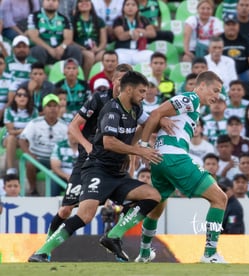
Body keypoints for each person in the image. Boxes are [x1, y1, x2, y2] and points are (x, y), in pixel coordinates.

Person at [28, 71, 163, 263]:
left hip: (117, 173)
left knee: (153, 196)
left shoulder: (135, 109)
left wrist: (164, 118)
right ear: (129, 89)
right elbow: (108, 142)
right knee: (83, 214)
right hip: (97, 169)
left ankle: (113, 236)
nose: (144, 96)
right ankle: (42, 251)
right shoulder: (112, 109)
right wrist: (138, 151)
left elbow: (150, 121)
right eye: (141, 91)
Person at [136, 71, 228, 263]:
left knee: (156, 207)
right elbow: (156, 113)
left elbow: (159, 116)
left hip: (160, 160)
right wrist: (143, 146)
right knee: (220, 198)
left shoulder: (192, 105)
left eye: (219, 92)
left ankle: (144, 253)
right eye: (215, 90)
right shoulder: (192, 98)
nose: (217, 96)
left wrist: (150, 139)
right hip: (174, 157)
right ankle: (210, 254)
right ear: (201, 85)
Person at [19, 93, 68, 196]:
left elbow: (67, 144)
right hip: (38, 158)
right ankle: (33, 190)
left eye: (55, 106)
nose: (52, 109)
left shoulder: (64, 126)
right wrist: (29, 154)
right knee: (29, 162)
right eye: (49, 106)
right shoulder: (35, 123)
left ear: (59, 108)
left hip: (56, 160)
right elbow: (22, 140)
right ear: (44, 109)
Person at [27, 0, 82, 66]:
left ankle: (74, 74)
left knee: (74, 49)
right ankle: (38, 74)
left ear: (58, 3)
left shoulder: (64, 18)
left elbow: (68, 38)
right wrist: (50, 50)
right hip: (43, 49)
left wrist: (62, 47)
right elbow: (34, 37)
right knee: (38, 50)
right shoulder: (34, 16)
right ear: (43, 2)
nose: (51, 3)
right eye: (48, 0)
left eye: (54, 1)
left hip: (59, 50)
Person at [3, 87, 38, 171]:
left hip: (27, 138)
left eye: (25, 95)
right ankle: (10, 170)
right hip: (10, 138)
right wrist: (23, 131)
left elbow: (35, 129)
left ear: (28, 98)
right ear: (15, 98)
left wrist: (20, 132)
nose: (22, 97)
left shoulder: (34, 111)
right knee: (12, 138)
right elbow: (11, 131)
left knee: (25, 140)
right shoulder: (9, 111)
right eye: (19, 95)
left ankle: (31, 167)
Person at [112, 0, 155, 66]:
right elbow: (120, 36)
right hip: (122, 51)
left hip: (138, 51)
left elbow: (152, 33)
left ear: (137, 8)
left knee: (151, 55)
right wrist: (131, 33)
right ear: (123, 8)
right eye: (127, 5)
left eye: (133, 5)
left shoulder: (143, 19)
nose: (130, 7)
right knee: (119, 60)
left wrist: (141, 32)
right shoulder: (119, 20)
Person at [72, 0, 108, 79]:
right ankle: (85, 81)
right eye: (81, 2)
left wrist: (97, 49)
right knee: (90, 56)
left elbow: (104, 41)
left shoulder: (99, 20)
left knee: (103, 55)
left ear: (91, 4)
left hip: (96, 49)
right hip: (81, 48)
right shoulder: (73, 20)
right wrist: (83, 48)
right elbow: (70, 40)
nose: (84, 3)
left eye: (87, 1)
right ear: (77, 5)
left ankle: (97, 80)